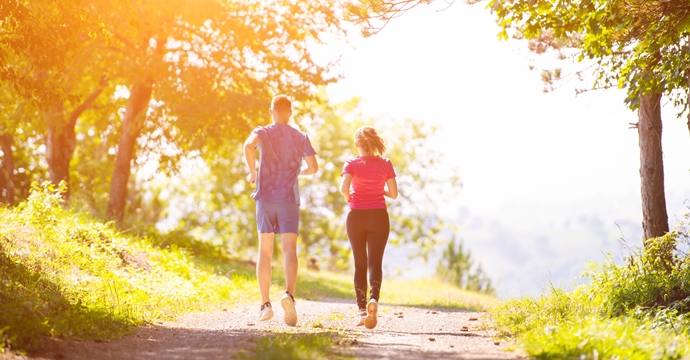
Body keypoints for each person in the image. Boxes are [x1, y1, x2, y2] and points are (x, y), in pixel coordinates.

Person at [243, 94, 318, 326]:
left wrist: (253, 172)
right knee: (289, 251)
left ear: (271, 111)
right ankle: (289, 295)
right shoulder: (301, 136)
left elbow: (248, 145)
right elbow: (313, 167)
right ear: (290, 112)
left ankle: (265, 305)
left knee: (265, 252)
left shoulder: (264, 131)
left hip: (265, 198)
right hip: (289, 200)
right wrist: (298, 173)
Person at [339, 126, 398, 329]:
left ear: (357, 144)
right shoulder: (385, 164)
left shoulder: (352, 163)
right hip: (378, 216)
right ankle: (374, 298)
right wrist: (377, 189)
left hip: (356, 216)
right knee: (375, 262)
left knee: (360, 263)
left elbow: (343, 189)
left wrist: (351, 197)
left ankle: (362, 310)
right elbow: (394, 193)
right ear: (375, 142)